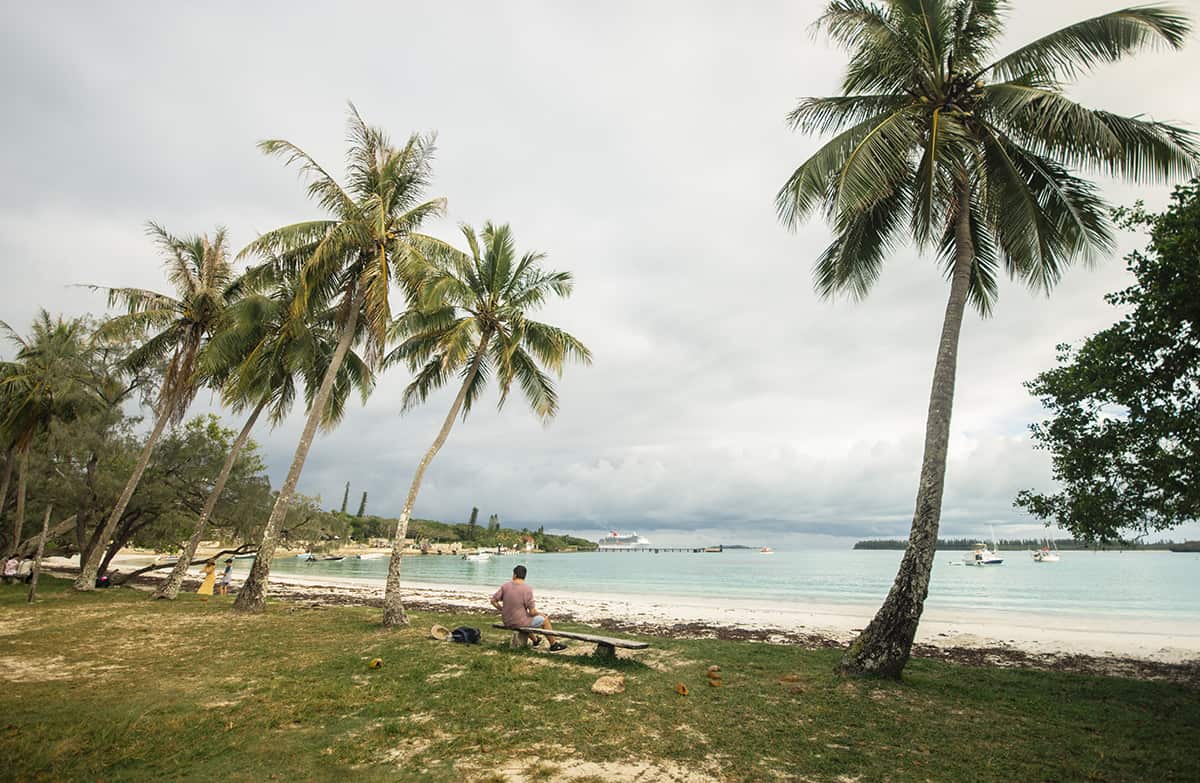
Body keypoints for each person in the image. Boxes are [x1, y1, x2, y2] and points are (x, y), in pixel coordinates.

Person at [491, 564, 566, 651]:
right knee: (544, 620)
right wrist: (540, 614)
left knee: (526, 618)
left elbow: (493, 601)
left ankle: (535, 641)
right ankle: (554, 644)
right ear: (524, 576)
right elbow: (532, 612)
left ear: (515, 575)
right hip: (518, 622)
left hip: (507, 621)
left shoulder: (505, 586)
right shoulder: (527, 589)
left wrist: (502, 609)